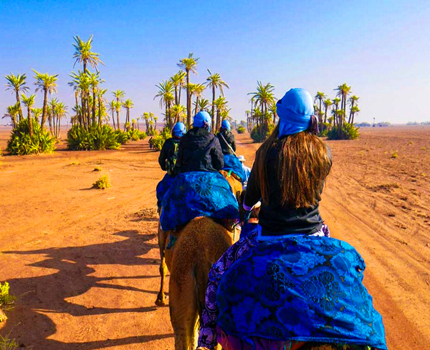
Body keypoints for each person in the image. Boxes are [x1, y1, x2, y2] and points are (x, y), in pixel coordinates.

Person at [197, 88, 387, 350]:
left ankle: (206, 341)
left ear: (281, 117)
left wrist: (245, 207)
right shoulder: (323, 154)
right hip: (315, 234)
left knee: (217, 274)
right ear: (311, 119)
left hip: (268, 237)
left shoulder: (265, 153)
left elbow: (250, 199)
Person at [159, 111, 238, 232]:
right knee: (229, 196)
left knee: (168, 200)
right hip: (211, 178)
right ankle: (231, 226)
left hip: (186, 180)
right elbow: (220, 164)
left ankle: (169, 232)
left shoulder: (185, 139)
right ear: (208, 124)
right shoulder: (213, 139)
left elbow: (179, 163)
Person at [156, 122, 187, 209]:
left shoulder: (168, 143)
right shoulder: (188, 143)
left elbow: (161, 159)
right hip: (185, 176)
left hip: (171, 175)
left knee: (161, 189)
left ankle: (161, 208)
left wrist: (164, 167)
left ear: (173, 132)